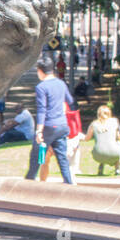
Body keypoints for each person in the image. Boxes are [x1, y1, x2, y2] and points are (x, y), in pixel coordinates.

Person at [26, 55, 76, 183]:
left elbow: (42, 110)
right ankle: (68, 183)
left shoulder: (41, 87)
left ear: (40, 71)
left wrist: (39, 131)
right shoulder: (61, 83)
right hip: (61, 126)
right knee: (62, 160)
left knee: (36, 157)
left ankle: (29, 182)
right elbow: (70, 101)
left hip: (48, 126)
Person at [87, 105, 120, 175]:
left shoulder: (94, 124)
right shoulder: (114, 121)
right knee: (119, 144)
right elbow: (118, 137)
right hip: (114, 153)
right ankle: (117, 169)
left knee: (102, 145)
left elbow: (87, 139)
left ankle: (101, 164)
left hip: (97, 154)